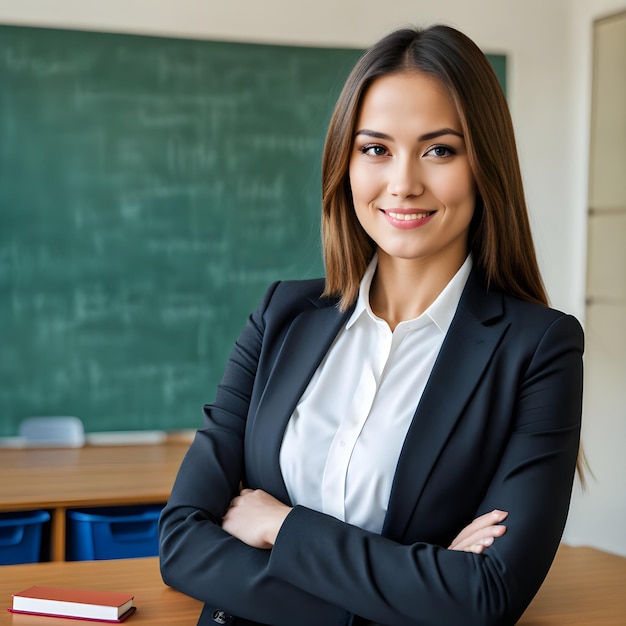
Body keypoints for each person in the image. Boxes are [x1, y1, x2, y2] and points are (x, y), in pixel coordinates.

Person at [159, 24, 584, 626]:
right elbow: (181, 542)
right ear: (346, 163)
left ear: (484, 164)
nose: (403, 182)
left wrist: (281, 527)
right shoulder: (281, 316)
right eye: (376, 149)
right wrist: (411, 587)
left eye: (439, 149)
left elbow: (487, 596)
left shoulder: (539, 350)